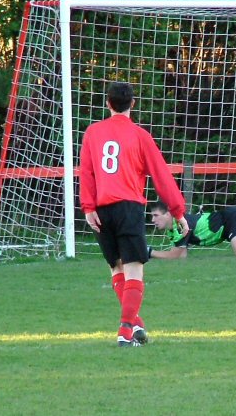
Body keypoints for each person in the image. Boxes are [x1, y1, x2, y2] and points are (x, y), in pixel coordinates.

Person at [79, 82, 190, 347]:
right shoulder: (140, 136)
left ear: (108, 104)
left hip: (102, 210)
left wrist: (88, 208)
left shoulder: (93, 133)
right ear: (133, 104)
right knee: (134, 271)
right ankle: (125, 332)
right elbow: (161, 176)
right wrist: (178, 211)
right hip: (129, 208)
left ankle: (136, 325)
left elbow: (86, 172)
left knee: (116, 267)